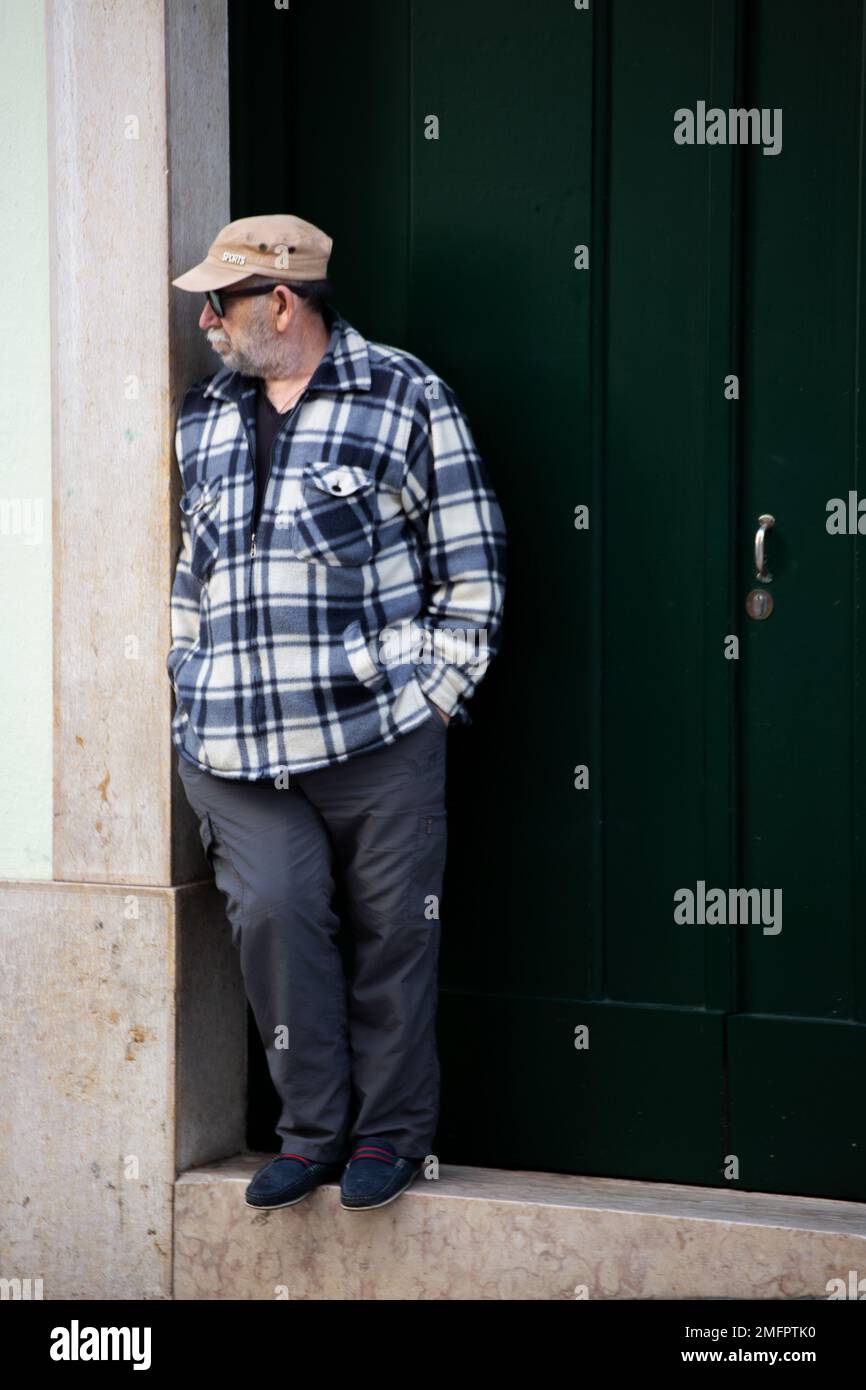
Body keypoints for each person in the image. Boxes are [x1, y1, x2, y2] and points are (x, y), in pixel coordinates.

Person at [168, 214, 507, 1210]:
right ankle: (310, 1132)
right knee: (276, 916)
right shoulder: (205, 413)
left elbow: (471, 564)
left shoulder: (404, 395)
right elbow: (196, 568)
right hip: (232, 743)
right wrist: (186, 674)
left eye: (220, 301)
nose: (205, 319)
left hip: (375, 735)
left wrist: (434, 697)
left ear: (280, 301)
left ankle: (390, 1137)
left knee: (392, 932)